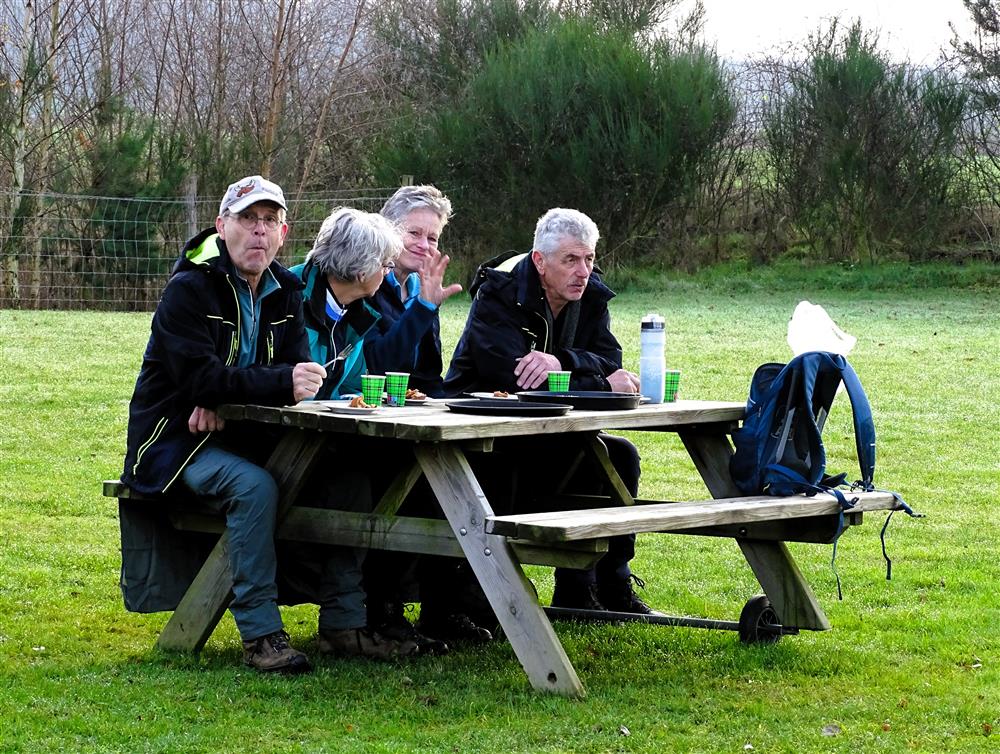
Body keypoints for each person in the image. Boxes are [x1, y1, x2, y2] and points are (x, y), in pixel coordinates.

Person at [121, 177, 412, 676]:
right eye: (247, 219)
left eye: (269, 221)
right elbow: (203, 377)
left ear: (283, 233)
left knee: (350, 481)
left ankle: (345, 623)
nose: (259, 231)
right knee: (253, 487)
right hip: (174, 441)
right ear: (222, 226)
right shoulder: (188, 289)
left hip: (241, 432)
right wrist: (240, 389)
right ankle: (261, 635)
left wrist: (228, 396)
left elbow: (295, 377)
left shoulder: (287, 291)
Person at [443, 207, 655, 614]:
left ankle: (603, 586)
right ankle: (476, 594)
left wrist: (562, 361)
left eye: (589, 258)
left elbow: (610, 360)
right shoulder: (499, 291)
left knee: (620, 456)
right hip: (485, 435)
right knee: (561, 455)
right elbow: (517, 380)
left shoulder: (591, 294)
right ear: (540, 261)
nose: (583, 271)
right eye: (571, 260)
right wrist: (598, 382)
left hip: (553, 429)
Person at [359, 185, 494, 647]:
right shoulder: (365, 282)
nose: (424, 245)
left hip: (415, 417)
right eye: (414, 233)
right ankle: (383, 609)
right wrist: (422, 309)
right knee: (412, 480)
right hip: (367, 424)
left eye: (433, 238)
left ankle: (446, 607)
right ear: (387, 229)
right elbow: (380, 365)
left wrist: (454, 407)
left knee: (476, 467)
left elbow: (427, 375)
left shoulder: (419, 286)